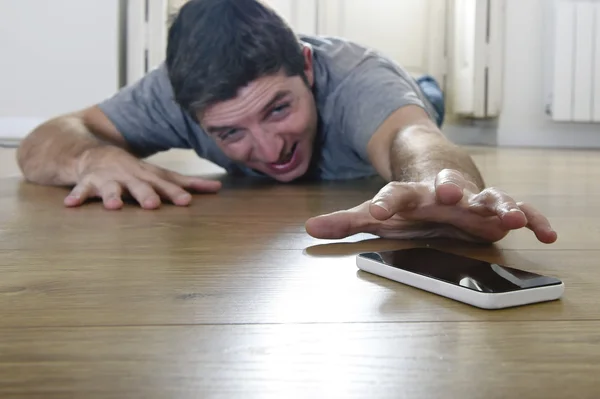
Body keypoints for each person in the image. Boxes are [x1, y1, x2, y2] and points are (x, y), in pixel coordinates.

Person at [15, 0, 557, 245]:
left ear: (304, 64)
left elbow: (415, 139)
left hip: (404, 96)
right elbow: (44, 140)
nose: (269, 148)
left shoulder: (354, 77)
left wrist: (447, 189)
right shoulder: (171, 93)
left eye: (278, 108)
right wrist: (94, 155)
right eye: (230, 132)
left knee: (421, 100)